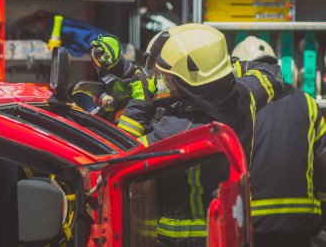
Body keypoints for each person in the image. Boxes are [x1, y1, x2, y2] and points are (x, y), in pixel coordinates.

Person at [108, 23, 283, 245]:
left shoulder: (176, 130)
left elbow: (118, 155)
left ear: (188, 80)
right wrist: (217, 67)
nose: (165, 82)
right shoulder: (242, 96)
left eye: (169, 77)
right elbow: (271, 73)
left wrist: (139, 104)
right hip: (231, 232)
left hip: (185, 240)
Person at [232, 35, 326, 247]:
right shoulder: (309, 104)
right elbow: (323, 165)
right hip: (300, 220)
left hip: (250, 219)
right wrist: (322, 211)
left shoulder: (238, 106)